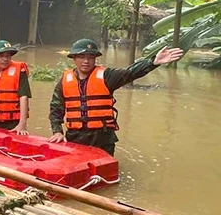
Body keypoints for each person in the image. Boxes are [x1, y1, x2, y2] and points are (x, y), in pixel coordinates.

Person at [48, 39, 183, 156]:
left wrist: (153, 62)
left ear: (95, 59)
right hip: (75, 137)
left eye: (90, 57)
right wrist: (57, 131)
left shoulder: (107, 76)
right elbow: (56, 107)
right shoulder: (65, 80)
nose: (86, 61)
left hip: (102, 136)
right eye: (81, 56)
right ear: (74, 58)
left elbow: (130, 73)